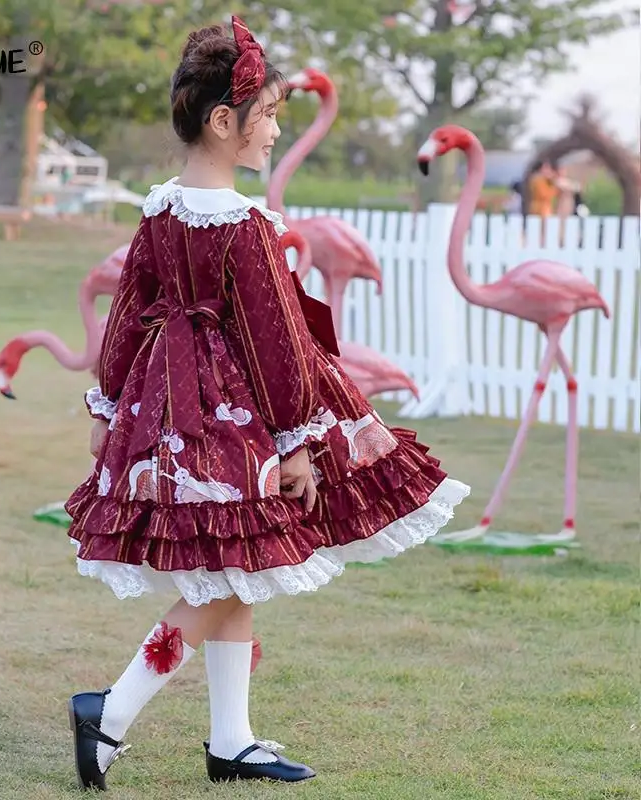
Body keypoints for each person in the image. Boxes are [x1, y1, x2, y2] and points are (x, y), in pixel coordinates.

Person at [64, 15, 470, 792]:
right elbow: (275, 343)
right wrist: (298, 443)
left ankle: (232, 740)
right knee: (225, 577)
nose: (278, 130)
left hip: (163, 409)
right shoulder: (247, 226)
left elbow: (127, 311)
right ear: (223, 121)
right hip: (227, 419)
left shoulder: (159, 210)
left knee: (235, 567)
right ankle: (110, 710)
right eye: (270, 114)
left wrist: (108, 407)